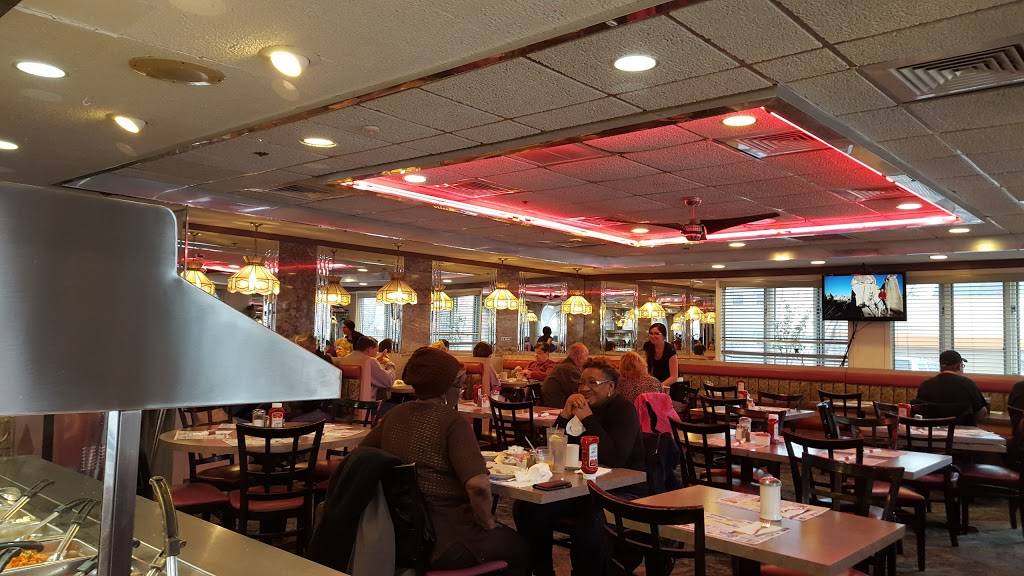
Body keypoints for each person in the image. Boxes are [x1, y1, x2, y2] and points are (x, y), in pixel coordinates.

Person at [360, 347, 528, 575]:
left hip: (401, 538)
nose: (459, 390)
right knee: (521, 549)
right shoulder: (453, 422)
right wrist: (488, 522)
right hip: (450, 540)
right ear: (445, 387)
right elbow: (478, 486)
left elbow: (363, 455)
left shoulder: (393, 416)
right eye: (458, 385)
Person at [515, 359, 645, 576]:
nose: (584, 388)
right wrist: (565, 415)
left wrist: (588, 419)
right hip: (583, 489)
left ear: (610, 387)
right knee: (527, 508)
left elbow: (615, 459)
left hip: (621, 491)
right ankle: (541, 570)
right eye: (582, 383)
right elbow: (552, 448)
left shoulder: (624, 410)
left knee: (591, 524)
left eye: (592, 382)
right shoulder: (580, 411)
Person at [916, 350, 988, 425]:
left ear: (941, 366)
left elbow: (918, 409)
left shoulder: (925, 385)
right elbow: (982, 412)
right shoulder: (968, 384)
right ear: (958, 366)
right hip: (962, 431)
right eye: (962, 365)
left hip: (931, 430)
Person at [337, 336, 394, 401]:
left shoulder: (344, 360)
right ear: (370, 349)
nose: (376, 353)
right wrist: (389, 363)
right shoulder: (369, 361)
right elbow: (388, 382)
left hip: (345, 402)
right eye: (376, 350)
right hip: (366, 404)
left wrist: (377, 360)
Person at [541, 342, 588, 409]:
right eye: (586, 356)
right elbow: (580, 393)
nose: (586, 359)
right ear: (579, 357)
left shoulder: (565, 366)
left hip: (548, 403)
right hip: (556, 407)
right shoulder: (570, 370)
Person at [642, 322, 678, 387]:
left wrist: (658, 387)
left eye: (656, 333)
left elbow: (674, 377)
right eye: (651, 333)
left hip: (669, 385)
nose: (653, 336)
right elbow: (647, 368)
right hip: (653, 383)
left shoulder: (670, 350)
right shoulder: (648, 346)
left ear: (664, 336)